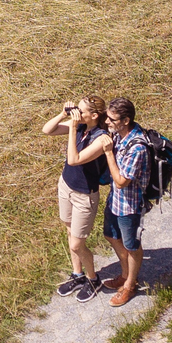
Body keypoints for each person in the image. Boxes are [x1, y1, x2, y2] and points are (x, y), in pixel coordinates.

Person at [41, 96, 111, 300]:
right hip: (66, 186)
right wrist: (62, 114)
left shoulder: (101, 138)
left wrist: (72, 127)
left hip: (84, 196)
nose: (76, 114)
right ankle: (77, 274)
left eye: (81, 111)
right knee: (70, 231)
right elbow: (47, 130)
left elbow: (74, 160)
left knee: (76, 244)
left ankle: (93, 279)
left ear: (94, 115)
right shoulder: (80, 126)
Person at [101, 97, 150, 307]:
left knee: (132, 246)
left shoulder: (137, 148)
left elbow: (121, 181)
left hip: (130, 206)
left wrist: (108, 153)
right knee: (110, 235)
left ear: (126, 120)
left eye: (111, 119)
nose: (107, 122)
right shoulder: (119, 134)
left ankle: (130, 285)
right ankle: (125, 274)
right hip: (115, 200)